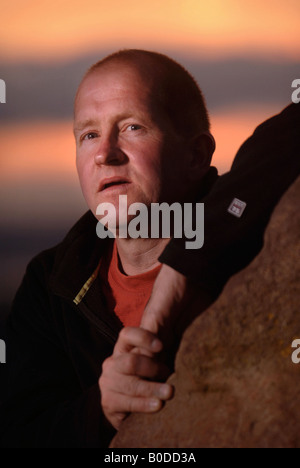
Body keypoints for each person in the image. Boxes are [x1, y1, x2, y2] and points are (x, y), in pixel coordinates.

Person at [1, 49, 299, 448]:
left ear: (196, 155)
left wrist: (188, 266)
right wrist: (101, 410)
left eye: (132, 128)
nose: (105, 154)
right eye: (88, 135)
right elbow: (20, 432)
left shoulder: (258, 234)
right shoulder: (52, 282)